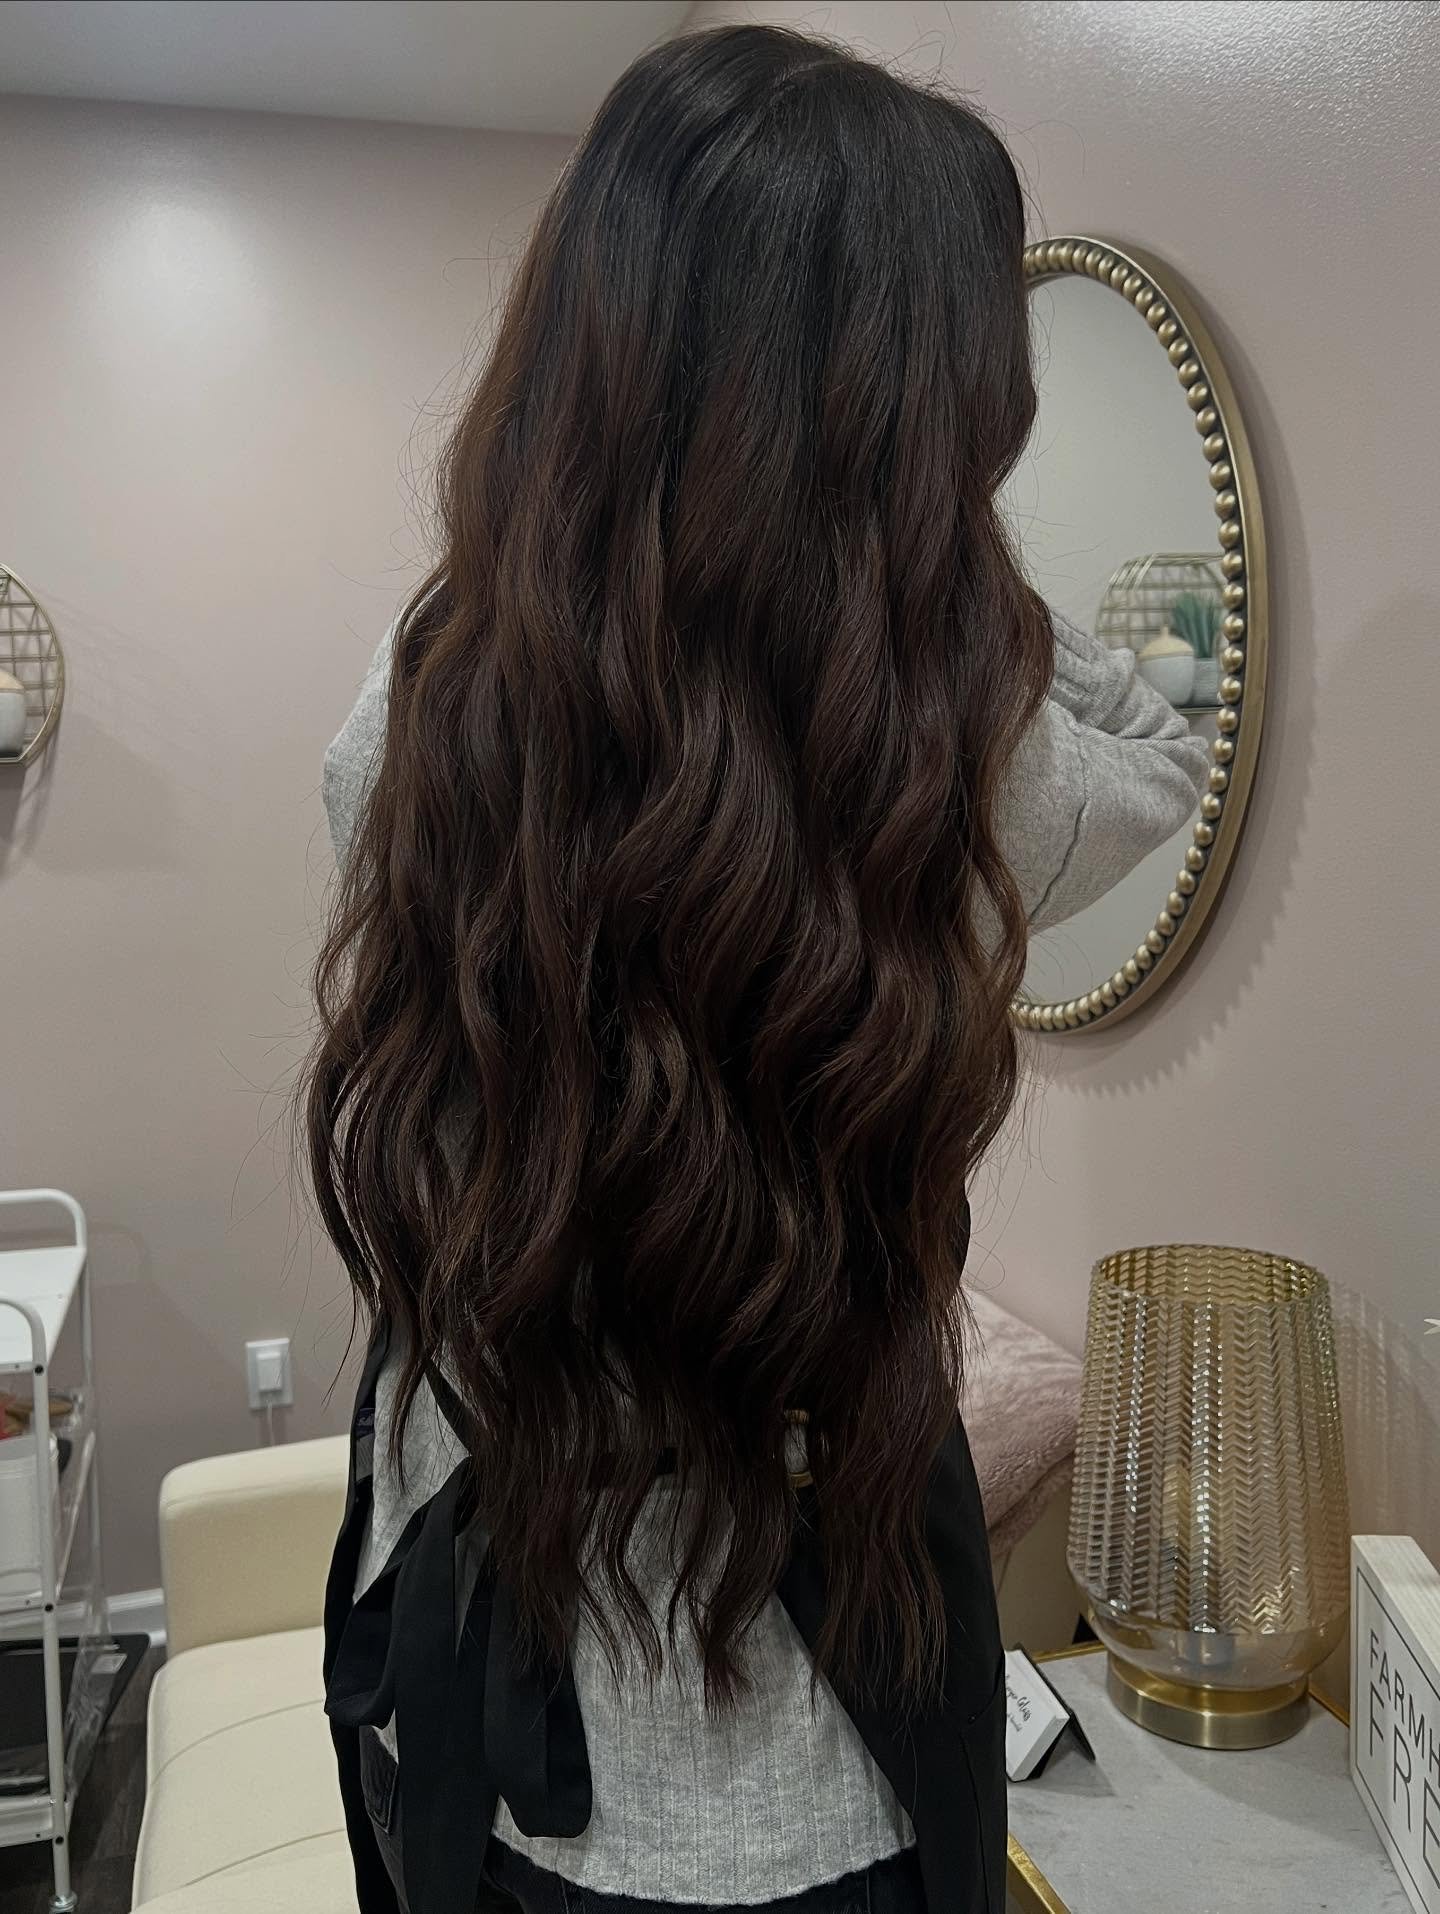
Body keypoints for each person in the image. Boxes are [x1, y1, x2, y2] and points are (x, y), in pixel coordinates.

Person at [308, 24, 1208, 1914]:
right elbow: (1168, 745)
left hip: (480, 1714)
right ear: (924, 424)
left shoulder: (422, 727)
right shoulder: (968, 768)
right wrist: (925, 571)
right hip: (825, 1769)